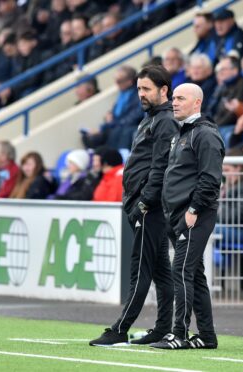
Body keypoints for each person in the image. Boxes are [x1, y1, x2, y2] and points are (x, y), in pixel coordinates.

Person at [90, 65, 179, 346]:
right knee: (160, 270)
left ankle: (120, 328)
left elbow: (160, 166)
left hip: (149, 207)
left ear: (164, 90)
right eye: (138, 88)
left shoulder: (164, 121)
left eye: (146, 89)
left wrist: (144, 202)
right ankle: (164, 327)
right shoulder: (151, 118)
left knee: (139, 268)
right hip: (141, 204)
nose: (140, 94)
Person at [153, 83, 224, 350]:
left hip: (193, 215)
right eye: (173, 98)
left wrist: (193, 210)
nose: (174, 102)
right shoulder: (183, 133)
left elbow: (210, 179)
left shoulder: (205, 135)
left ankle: (179, 334)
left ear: (197, 102)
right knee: (194, 274)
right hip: (177, 215)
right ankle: (206, 336)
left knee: (180, 271)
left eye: (181, 98)